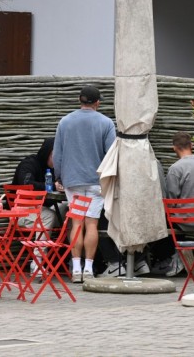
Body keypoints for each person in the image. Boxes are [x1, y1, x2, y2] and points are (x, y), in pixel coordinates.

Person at [53, 85, 116, 283]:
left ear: (80, 101)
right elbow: (111, 155)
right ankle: (88, 269)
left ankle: (76, 269)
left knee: (76, 223)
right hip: (96, 182)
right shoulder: (106, 123)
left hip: (72, 181)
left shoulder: (65, 122)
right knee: (92, 224)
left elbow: (58, 154)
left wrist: (59, 177)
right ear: (97, 102)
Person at [150, 131, 194, 277]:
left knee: (160, 222)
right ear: (191, 145)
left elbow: (171, 200)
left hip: (184, 221)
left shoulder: (175, 169)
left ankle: (172, 257)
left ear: (174, 148)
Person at [10, 137, 67, 276]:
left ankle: (74, 262)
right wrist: (52, 186)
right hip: (21, 212)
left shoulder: (56, 169)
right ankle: (38, 261)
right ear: (47, 152)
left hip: (41, 209)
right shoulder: (29, 164)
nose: (59, 158)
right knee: (48, 215)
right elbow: (26, 184)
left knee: (69, 211)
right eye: (56, 154)